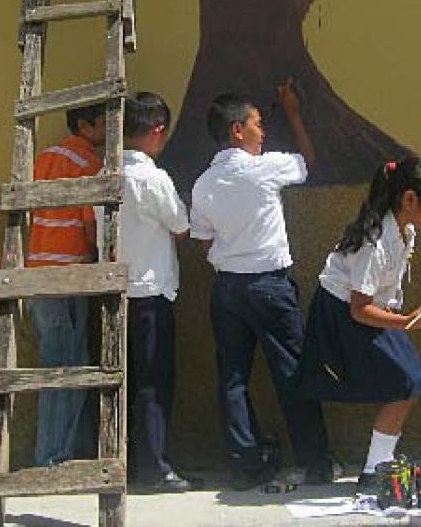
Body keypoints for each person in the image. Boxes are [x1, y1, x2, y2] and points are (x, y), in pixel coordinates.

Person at [189, 83, 337, 490]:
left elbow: (204, 240)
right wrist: (292, 110)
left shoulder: (202, 184)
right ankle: (315, 461)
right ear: (238, 130)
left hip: (226, 290)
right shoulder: (265, 168)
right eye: (257, 123)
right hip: (269, 287)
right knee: (292, 373)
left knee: (232, 379)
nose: (263, 131)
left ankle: (247, 463)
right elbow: (307, 160)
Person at [296, 157, 421, 494]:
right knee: (405, 379)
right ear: (410, 200)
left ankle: (377, 466)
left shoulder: (405, 231)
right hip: (342, 315)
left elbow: (385, 291)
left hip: (373, 311)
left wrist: (406, 316)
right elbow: (359, 308)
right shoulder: (374, 241)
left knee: (410, 380)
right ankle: (375, 470)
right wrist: (407, 322)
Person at [120, 92, 202, 492]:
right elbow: (182, 227)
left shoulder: (105, 174)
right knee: (153, 381)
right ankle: (154, 466)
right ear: (156, 132)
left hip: (111, 292)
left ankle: (123, 462)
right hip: (150, 291)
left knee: (119, 381)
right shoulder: (154, 178)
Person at [25, 103, 105, 467]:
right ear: (86, 126)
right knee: (67, 367)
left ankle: (69, 449)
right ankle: (54, 458)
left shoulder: (44, 157)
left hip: (37, 270)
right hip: (68, 272)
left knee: (57, 361)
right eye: (105, 123)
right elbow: (91, 227)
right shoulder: (89, 163)